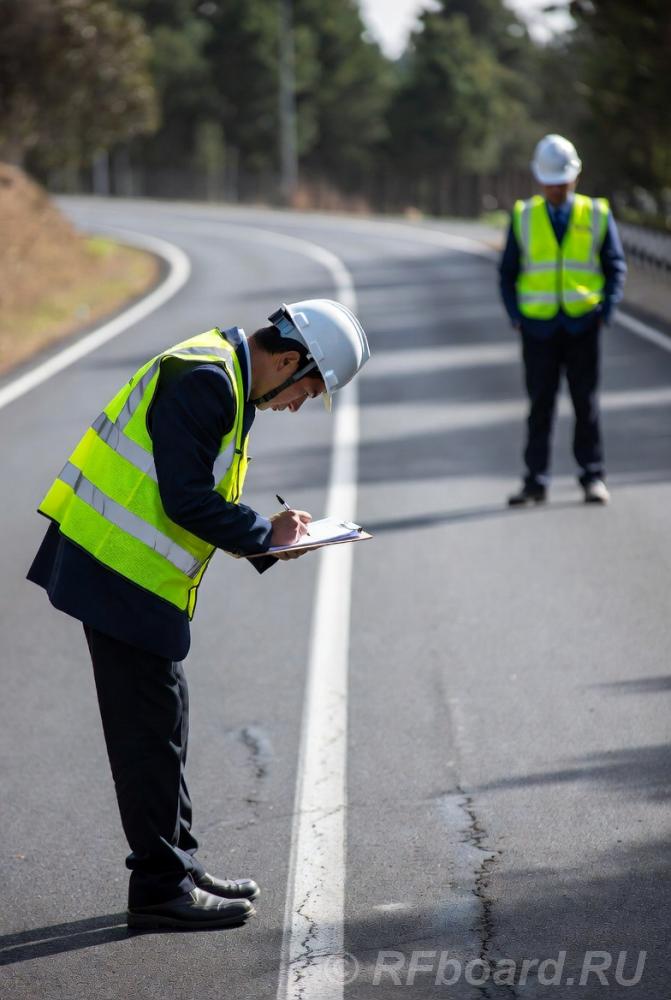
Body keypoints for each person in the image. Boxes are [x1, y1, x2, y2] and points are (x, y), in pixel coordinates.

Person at [27, 299, 370, 930]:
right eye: (308, 390)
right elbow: (185, 500)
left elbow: (196, 498)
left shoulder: (226, 376)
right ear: (290, 361)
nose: (297, 405)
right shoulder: (209, 382)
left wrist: (269, 537)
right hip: (116, 572)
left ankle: (177, 865)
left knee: (166, 722)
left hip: (132, 576)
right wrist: (266, 535)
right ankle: (160, 889)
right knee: (147, 736)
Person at [499, 133, 627, 506]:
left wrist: (607, 310)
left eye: (563, 182)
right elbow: (507, 272)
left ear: (575, 178)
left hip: (582, 325)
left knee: (585, 404)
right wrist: (515, 316)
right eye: (550, 182)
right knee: (540, 406)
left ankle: (592, 476)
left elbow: (614, 264)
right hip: (537, 328)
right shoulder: (524, 216)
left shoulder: (597, 214)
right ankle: (535, 482)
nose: (557, 189)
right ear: (540, 180)